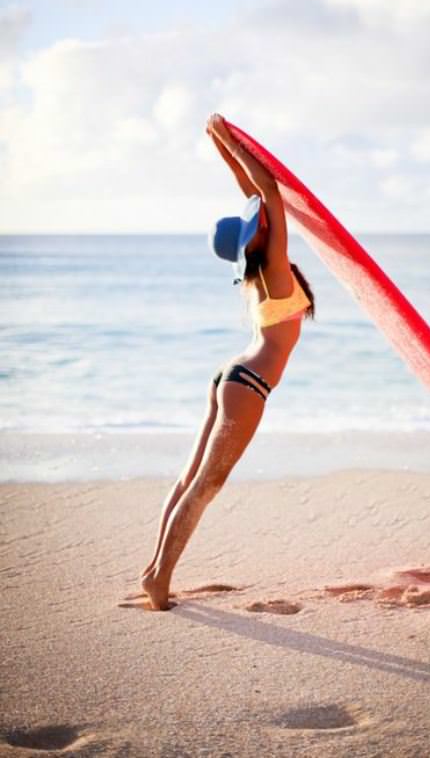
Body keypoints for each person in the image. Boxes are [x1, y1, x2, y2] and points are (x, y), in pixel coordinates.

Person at [140, 113, 315, 610]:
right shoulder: (275, 267)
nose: (259, 221)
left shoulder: (262, 270)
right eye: (255, 227)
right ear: (255, 241)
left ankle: (155, 568)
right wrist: (225, 136)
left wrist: (220, 140)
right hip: (249, 384)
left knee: (189, 477)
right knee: (205, 485)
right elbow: (269, 194)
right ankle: (160, 578)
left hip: (234, 376)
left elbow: (251, 191)